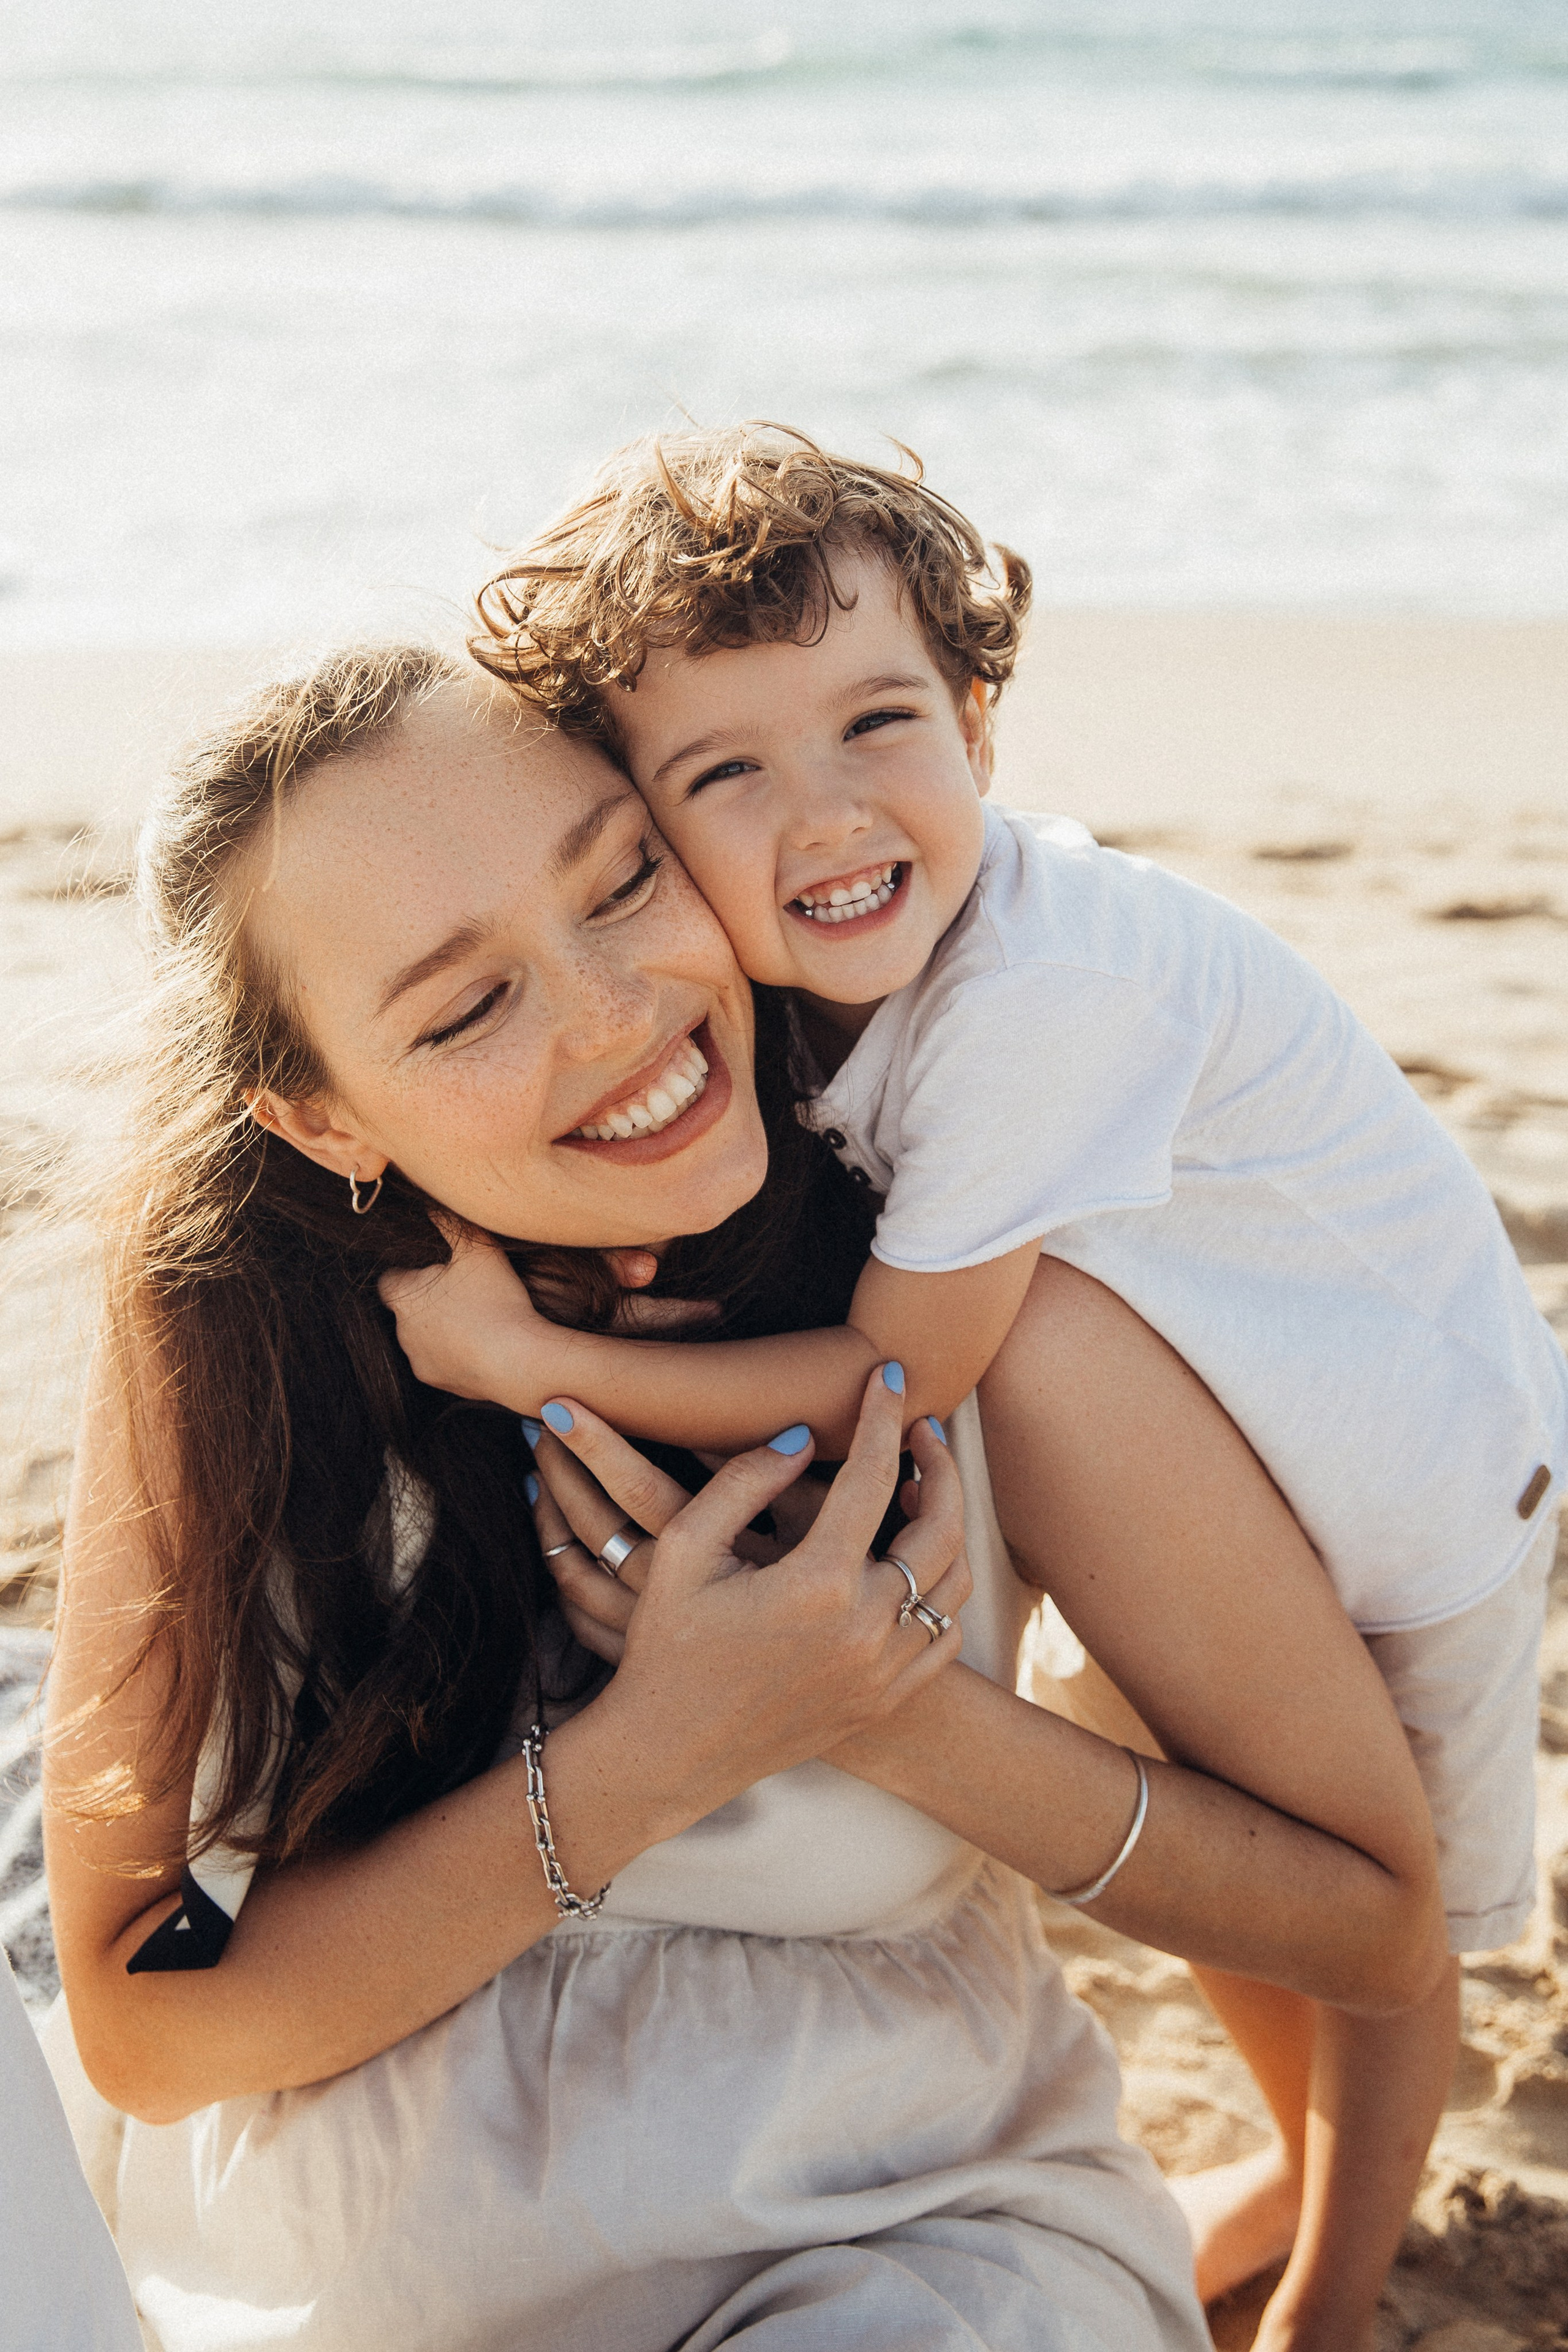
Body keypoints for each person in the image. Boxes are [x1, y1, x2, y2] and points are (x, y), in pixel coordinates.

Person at [43, 646, 1443, 2352]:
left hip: (890, 2241)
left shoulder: (981, 1303)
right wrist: (657, 1756)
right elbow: (146, 2030)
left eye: (624, 879)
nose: (616, 1013)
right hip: (339, 2270)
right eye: (466, 1007)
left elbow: (1372, 1925)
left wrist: (883, 1713)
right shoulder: (226, 1321)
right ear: (322, 1116)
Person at [368, 422, 1565, 2349]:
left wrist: (535, 1357)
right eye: (728, 773)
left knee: (1371, 1903)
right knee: (1205, 1814)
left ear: (982, 725)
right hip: (1234, 1429)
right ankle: (1288, 2173)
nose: (827, 814)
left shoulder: (1040, 992)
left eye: (880, 724)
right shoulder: (850, 977)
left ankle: (1334, 2299)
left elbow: (895, 1367)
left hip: (1415, 1483)